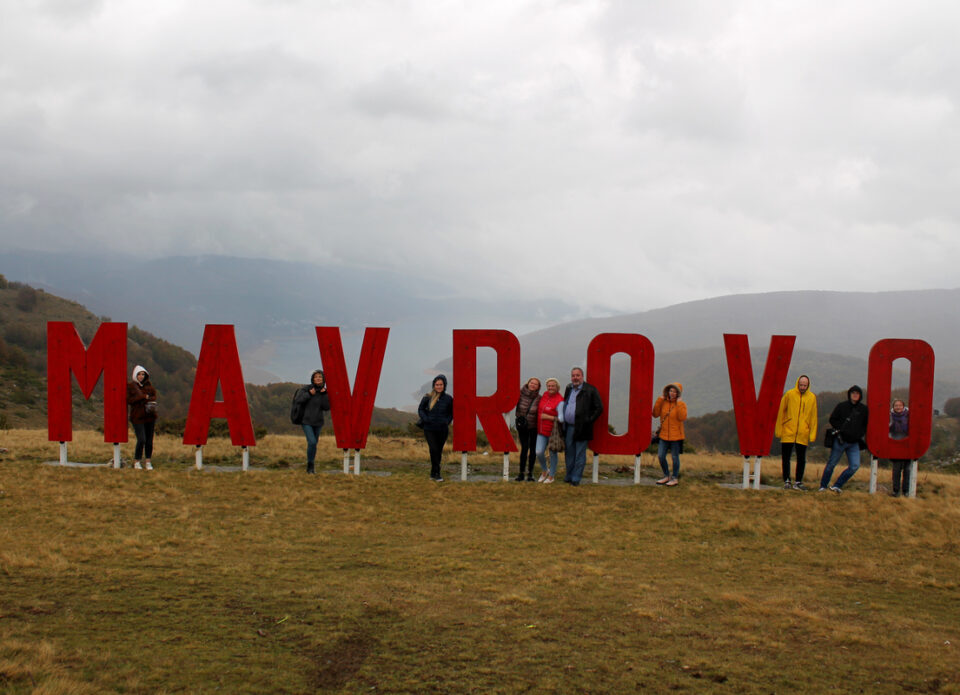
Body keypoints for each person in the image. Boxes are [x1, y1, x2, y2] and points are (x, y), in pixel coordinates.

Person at [820, 385, 869, 493]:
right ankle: (823, 486)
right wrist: (841, 429)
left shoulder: (864, 409)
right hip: (840, 440)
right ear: (849, 394)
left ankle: (837, 485)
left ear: (860, 395)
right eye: (853, 393)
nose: (855, 395)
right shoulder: (841, 406)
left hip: (854, 443)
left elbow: (865, 425)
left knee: (855, 466)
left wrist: (859, 434)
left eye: (857, 393)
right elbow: (832, 419)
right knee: (831, 464)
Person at [774, 375, 818, 490]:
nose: (803, 387)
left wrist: (812, 434)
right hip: (788, 431)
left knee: (801, 459)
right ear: (797, 383)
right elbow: (781, 412)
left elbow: (813, 417)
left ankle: (798, 482)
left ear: (808, 385)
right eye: (801, 385)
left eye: (805, 385)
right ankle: (787, 480)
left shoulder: (812, 398)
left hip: (803, 433)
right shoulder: (789, 394)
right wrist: (779, 429)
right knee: (786, 457)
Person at [561, 367, 603, 486]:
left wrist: (588, 420)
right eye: (573, 375)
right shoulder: (569, 388)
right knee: (569, 452)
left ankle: (576, 478)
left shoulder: (590, 390)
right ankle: (569, 475)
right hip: (569, 426)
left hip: (582, 427)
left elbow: (599, 408)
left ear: (582, 376)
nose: (575, 378)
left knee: (579, 453)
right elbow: (566, 403)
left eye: (577, 375)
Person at [293, 369, 331, 474]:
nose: (318, 379)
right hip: (306, 421)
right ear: (313, 379)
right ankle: (310, 465)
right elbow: (298, 400)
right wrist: (309, 394)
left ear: (323, 379)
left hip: (318, 422)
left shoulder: (324, 392)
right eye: (316, 377)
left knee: (314, 445)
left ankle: (311, 466)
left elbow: (326, 407)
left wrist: (324, 395)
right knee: (312, 442)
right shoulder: (307, 389)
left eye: (320, 377)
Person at [419, 374, 454, 481]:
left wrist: (446, 422)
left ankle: (433, 473)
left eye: (441, 384)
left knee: (438, 451)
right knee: (434, 449)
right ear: (434, 385)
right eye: (437, 384)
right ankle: (437, 473)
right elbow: (421, 409)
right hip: (429, 429)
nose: (439, 386)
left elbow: (451, 413)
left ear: (444, 385)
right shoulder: (427, 397)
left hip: (442, 430)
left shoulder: (448, 399)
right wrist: (426, 419)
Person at [653, 383, 687, 487]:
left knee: (675, 457)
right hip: (663, 435)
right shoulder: (663, 403)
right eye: (671, 391)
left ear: (678, 393)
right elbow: (655, 414)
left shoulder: (682, 404)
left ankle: (675, 478)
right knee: (661, 456)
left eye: (675, 391)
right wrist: (659, 400)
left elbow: (682, 417)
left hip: (676, 436)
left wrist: (679, 404)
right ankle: (666, 476)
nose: (672, 393)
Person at [127, 365, 158, 470]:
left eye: (143, 374)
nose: (141, 376)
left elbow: (153, 396)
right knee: (141, 439)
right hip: (137, 417)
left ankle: (148, 461)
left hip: (149, 416)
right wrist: (143, 397)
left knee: (149, 440)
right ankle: (137, 461)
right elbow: (129, 400)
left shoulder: (149, 386)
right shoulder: (131, 386)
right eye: (139, 374)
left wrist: (144, 398)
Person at [535, 378, 565, 483]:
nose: (550, 388)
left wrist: (548, 417)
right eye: (548, 386)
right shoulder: (544, 395)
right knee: (538, 452)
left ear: (557, 387)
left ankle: (551, 476)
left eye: (553, 386)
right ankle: (545, 470)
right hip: (541, 430)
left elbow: (562, 419)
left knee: (553, 454)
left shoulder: (560, 400)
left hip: (553, 432)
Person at [514, 378, 541, 481]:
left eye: (536, 384)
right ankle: (521, 473)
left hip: (534, 427)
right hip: (523, 426)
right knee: (524, 448)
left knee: (533, 450)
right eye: (531, 383)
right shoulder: (519, 394)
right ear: (528, 383)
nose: (533, 385)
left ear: (538, 387)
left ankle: (530, 473)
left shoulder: (539, 398)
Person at [889, 399, 911, 497]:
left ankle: (906, 491)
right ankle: (896, 490)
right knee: (896, 469)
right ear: (893, 407)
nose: (898, 407)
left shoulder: (908, 416)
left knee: (907, 469)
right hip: (895, 444)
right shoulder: (890, 417)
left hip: (907, 445)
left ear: (903, 406)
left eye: (900, 405)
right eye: (896, 405)